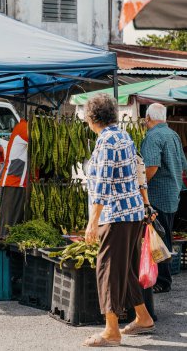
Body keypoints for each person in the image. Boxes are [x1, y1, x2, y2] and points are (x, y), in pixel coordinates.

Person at [83, 94, 154, 348]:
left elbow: (102, 183)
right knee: (125, 269)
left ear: (92, 118)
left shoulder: (106, 141)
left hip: (115, 214)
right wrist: (144, 203)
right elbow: (139, 168)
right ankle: (143, 317)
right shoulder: (123, 135)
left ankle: (111, 330)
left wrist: (93, 221)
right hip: (132, 211)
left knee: (108, 270)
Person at [141, 103, 187, 294]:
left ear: (148, 118)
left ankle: (162, 280)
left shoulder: (153, 136)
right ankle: (162, 279)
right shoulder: (173, 135)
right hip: (172, 194)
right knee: (164, 236)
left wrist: (140, 186)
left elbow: (151, 167)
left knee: (158, 239)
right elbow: (183, 163)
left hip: (157, 195)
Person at [0, 119, 28, 235]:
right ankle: (4, 250)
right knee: (10, 225)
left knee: (16, 223)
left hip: (20, 182)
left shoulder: (23, 127)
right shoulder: (24, 128)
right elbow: (41, 139)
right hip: (14, 182)